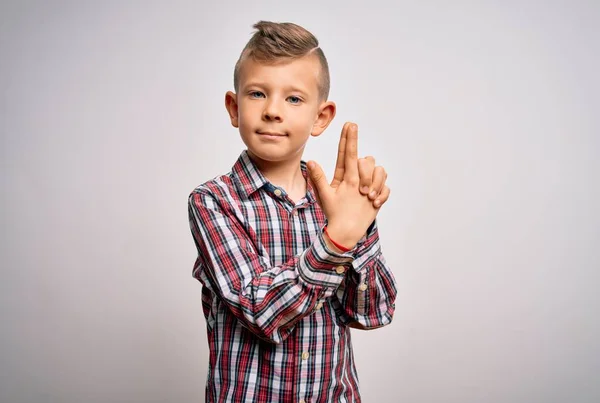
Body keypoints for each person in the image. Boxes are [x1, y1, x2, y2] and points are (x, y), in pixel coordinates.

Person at [187, 20, 397, 403]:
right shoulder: (213, 201)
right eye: (257, 94)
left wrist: (360, 229)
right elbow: (260, 311)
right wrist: (336, 243)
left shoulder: (339, 205)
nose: (272, 111)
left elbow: (373, 313)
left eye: (293, 98)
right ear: (234, 108)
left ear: (321, 116)